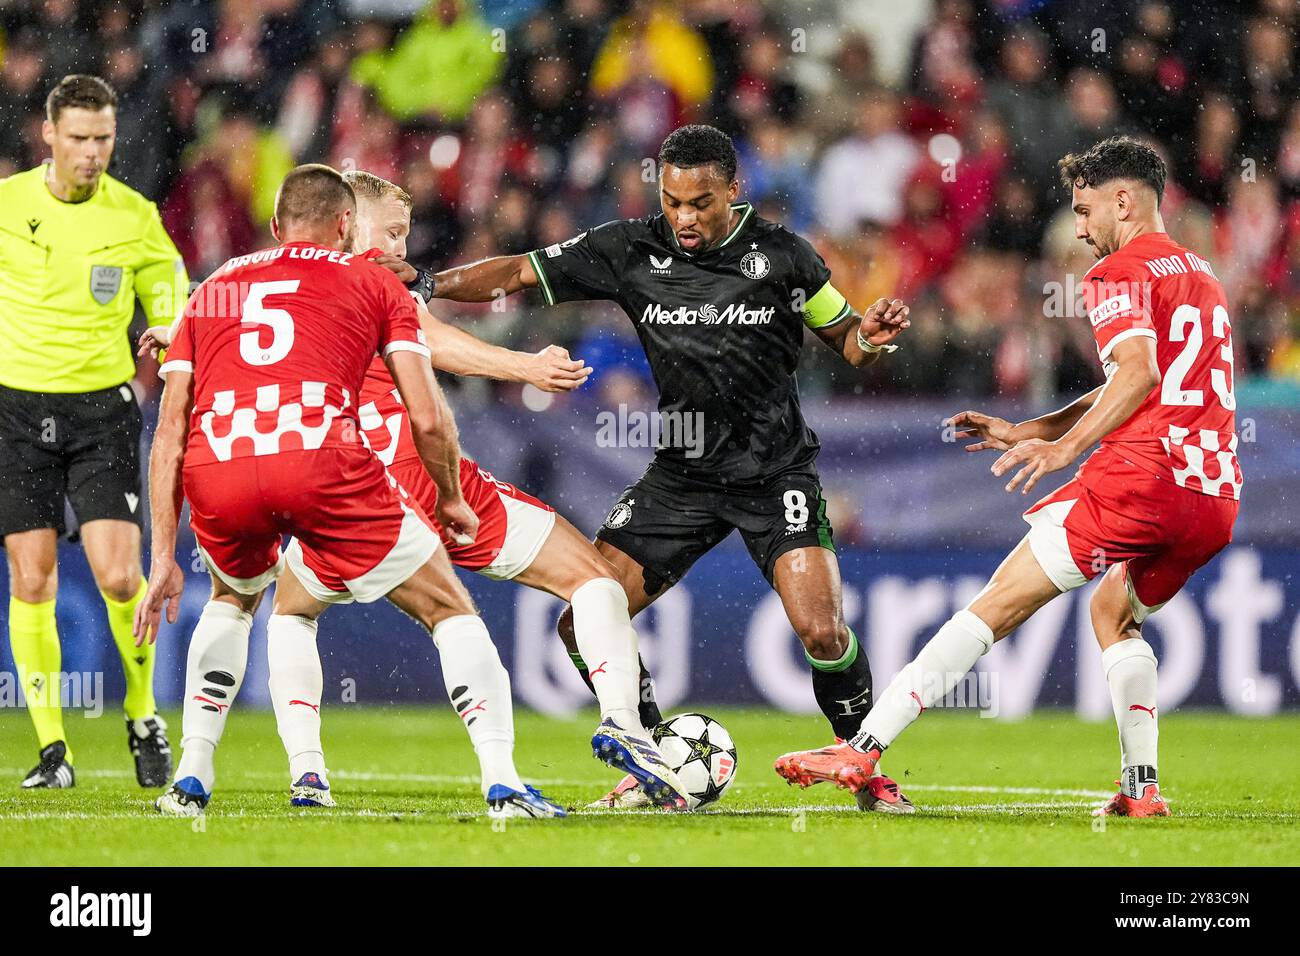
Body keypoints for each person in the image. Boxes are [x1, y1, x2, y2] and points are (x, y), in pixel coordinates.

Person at [400, 124, 916, 812]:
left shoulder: (785, 256)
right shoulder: (628, 248)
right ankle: (650, 757)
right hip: (680, 478)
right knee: (583, 620)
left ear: (735, 190)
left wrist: (871, 338)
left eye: (700, 203)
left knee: (823, 631)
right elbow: (521, 270)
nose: (685, 218)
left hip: (776, 474)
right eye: (672, 201)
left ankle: (865, 768)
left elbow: (847, 340)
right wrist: (431, 283)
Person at [141, 168, 693, 810]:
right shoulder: (364, 278)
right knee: (581, 580)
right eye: (392, 232)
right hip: (391, 476)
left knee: (280, 609)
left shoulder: (239, 280)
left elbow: (213, 357)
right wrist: (524, 366)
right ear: (347, 224)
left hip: (280, 477)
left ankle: (297, 772)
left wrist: (179, 329)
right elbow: (432, 352)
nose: (401, 249)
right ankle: (585, 738)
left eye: (405, 235)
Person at [774, 137, 1241, 818]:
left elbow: (1136, 372)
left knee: (994, 603)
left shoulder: (1116, 274)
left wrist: (1067, 449)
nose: (1080, 230)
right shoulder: (1200, 272)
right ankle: (1141, 790)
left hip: (1143, 478)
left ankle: (863, 748)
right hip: (1214, 498)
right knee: (1114, 612)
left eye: (1085, 212)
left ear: (1123, 200)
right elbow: (1147, 382)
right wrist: (1035, 429)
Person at [0, 74, 188, 789]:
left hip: (101, 411)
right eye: (77, 138)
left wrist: (170, 332)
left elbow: (171, 298)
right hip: (15, 412)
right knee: (32, 577)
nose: (91, 152)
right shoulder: (7, 204)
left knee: (117, 576)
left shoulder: (134, 217)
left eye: (102, 138)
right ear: (47, 134)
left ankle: (142, 712)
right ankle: (53, 750)